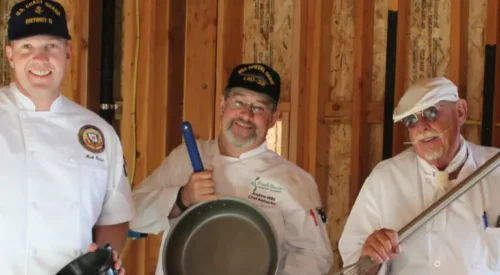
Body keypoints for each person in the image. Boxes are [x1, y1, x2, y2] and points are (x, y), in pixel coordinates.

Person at [129, 63, 334, 274]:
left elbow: (315, 254)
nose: (246, 115)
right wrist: (182, 199)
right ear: (222, 104)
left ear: (273, 118)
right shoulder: (184, 159)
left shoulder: (294, 180)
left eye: (259, 108)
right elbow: (131, 217)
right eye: (239, 102)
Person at [0, 1, 136, 274]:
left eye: (51, 46)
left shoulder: (100, 134)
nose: (40, 58)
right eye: (27, 46)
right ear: (10, 54)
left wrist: (103, 264)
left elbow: (115, 216)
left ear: (68, 53)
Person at [338, 77, 500, 274]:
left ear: (460, 112)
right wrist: (371, 255)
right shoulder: (386, 178)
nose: (421, 127)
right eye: (411, 120)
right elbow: (353, 267)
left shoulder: (495, 168)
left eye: (431, 113)